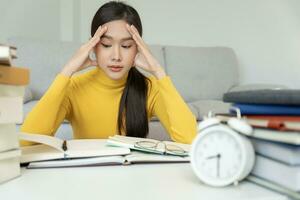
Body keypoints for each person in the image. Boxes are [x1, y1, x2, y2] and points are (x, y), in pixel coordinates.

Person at [20, 1, 196, 146]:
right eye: (106, 45)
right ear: (93, 46)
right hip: (87, 178)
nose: (116, 56)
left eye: (126, 46)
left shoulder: (150, 87)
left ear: (138, 49)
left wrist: (159, 72)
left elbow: (191, 140)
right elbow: (27, 143)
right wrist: (66, 72)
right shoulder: (73, 87)